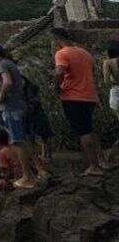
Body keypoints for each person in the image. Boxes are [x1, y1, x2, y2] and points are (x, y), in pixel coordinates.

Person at [0, 41, 37, 189]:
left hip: (12, 108)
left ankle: (27, 177)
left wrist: (1, 97)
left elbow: (7, 82)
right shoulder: (9, 63)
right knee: (23, 140)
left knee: (17, 142)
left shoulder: (2, 65)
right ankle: (36, 171)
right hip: (19, 105)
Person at [51, 27, 104, 176]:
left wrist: (56, 87)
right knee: (89, 129)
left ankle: (94, 166)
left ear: (57, 39)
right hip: (89, 96)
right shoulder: (84, 53)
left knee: (83, 132)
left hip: (73, 97)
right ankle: (102, 161)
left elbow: (59, 72)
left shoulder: (62, 53)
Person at [104, 40, 119, 166]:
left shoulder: (108, 62)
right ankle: (111, 157)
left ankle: (110, 157)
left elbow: (106, 81)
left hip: (116, 94)